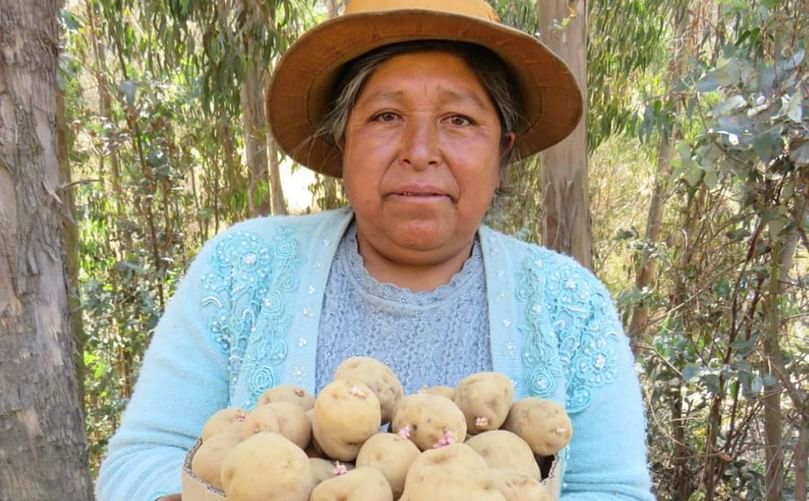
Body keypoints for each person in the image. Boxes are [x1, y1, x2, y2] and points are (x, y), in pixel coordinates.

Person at [96, 0, 655, 499]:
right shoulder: (242, 269)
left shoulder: (568, 301)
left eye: (458, 120)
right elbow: (141, 460)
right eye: (386, 116)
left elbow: (612, 489)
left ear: (502, 150)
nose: (419, 151)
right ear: (343, 142)